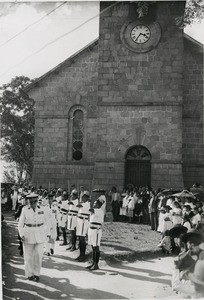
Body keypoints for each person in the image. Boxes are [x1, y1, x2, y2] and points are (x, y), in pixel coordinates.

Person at [18, 193, 51, 282]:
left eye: (34, 201)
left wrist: (48, 233)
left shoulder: (43, 209)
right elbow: (20, 224)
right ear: (28, 201)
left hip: (40, 233)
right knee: (28, 256)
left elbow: (48, 221)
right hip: (28, 233)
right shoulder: (25, 210)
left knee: (38, 255)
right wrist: (21, 235)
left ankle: (36, 274)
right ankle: (29, 274)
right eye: (30, 201)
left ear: (37, 201)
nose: (32, 203)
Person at [86, 198, 104, 270]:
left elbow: (90, 210)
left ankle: (96, 264)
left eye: (95, 203)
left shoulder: (99, 211)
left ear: (99, 204)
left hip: (96, 231)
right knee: (93, 247)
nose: (93, 204)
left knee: (96, 247)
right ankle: (93, 263)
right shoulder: (94, 211)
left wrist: (88, 203)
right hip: (91, 230)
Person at [75, 191, 91, 262]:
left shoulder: (87, 204)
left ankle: (83, 255)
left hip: (84, 221)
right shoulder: (83, 203)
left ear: (87, 198)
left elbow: (78, 205)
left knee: (82, 238)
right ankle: (80, 254)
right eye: (82, 196)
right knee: (79, 238)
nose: (83, 198)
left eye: (84, 197)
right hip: (80, 221)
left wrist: (79, 202)